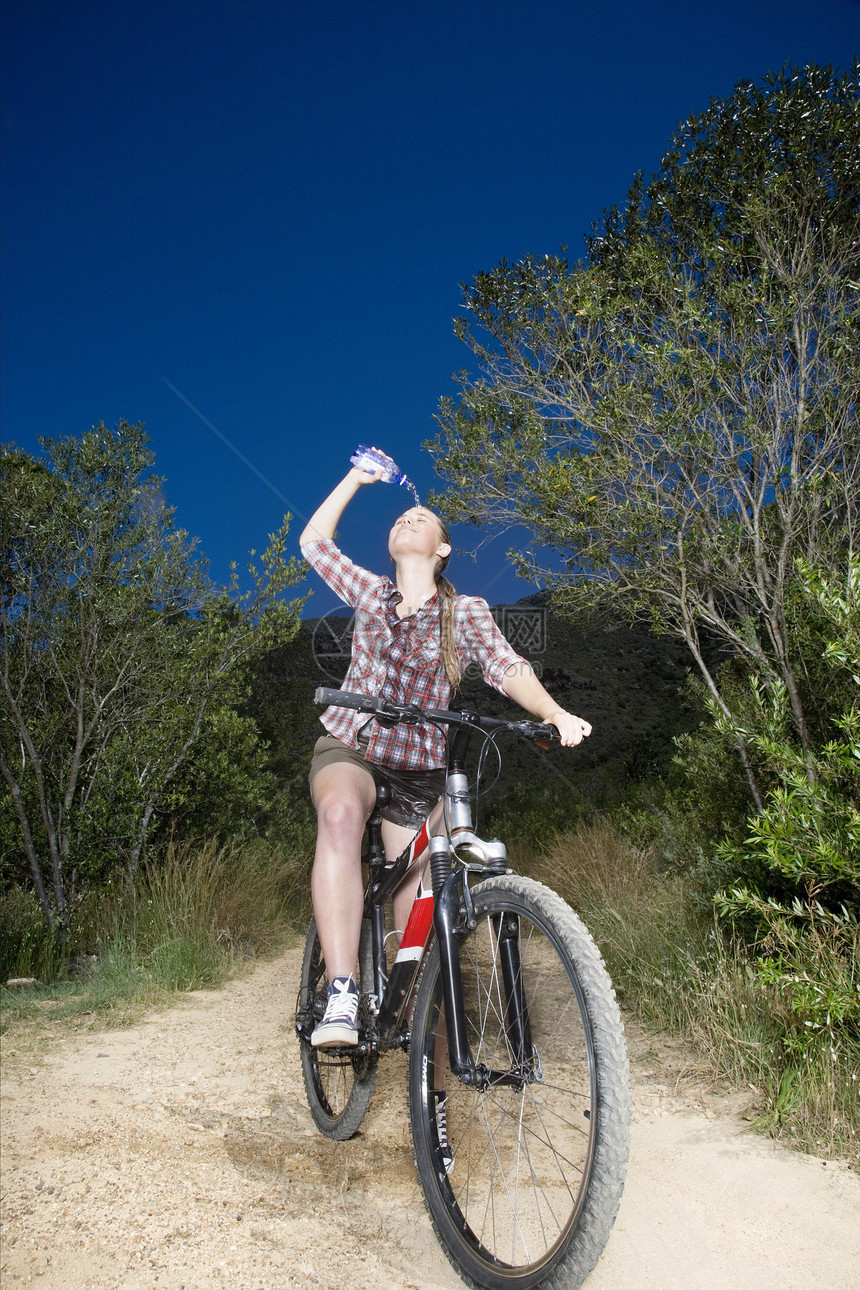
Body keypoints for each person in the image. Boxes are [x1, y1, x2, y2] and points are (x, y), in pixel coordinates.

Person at [299, 460, 592, 1049]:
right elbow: (314, 541)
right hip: (354, 745)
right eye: (404, 516)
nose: (409, 517)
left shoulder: (468, 613)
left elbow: (508, 667)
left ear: (443, 549)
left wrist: (553, 713)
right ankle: (340, 990)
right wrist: (356, 478)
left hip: (422, 770)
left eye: (423, 518)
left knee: (417, 902)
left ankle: (408, 1024)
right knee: (339, 817)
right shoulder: (370, 593)